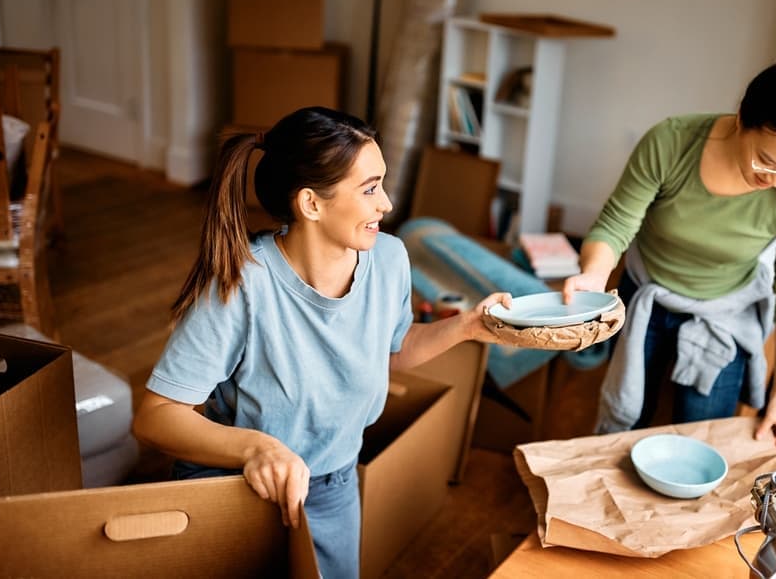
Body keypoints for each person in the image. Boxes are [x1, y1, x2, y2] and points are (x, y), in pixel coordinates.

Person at [131, 106, 510, 579]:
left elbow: (390, 352)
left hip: (333, 483)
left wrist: (469, 326)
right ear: (311, 204)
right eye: (370, 189)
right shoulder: (242, 283)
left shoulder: (389, 259)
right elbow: (155, 418)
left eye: (382, 184)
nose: (387, 205)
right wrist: (255, 450)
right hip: (233, 487)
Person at [562, 46, 776, 450]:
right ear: (742, 119)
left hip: (723, 315)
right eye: (768, 162)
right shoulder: (672, 141)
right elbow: (615, 225)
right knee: (625, 432)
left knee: (699, 441)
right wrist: (594, 275)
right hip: (647, 292)